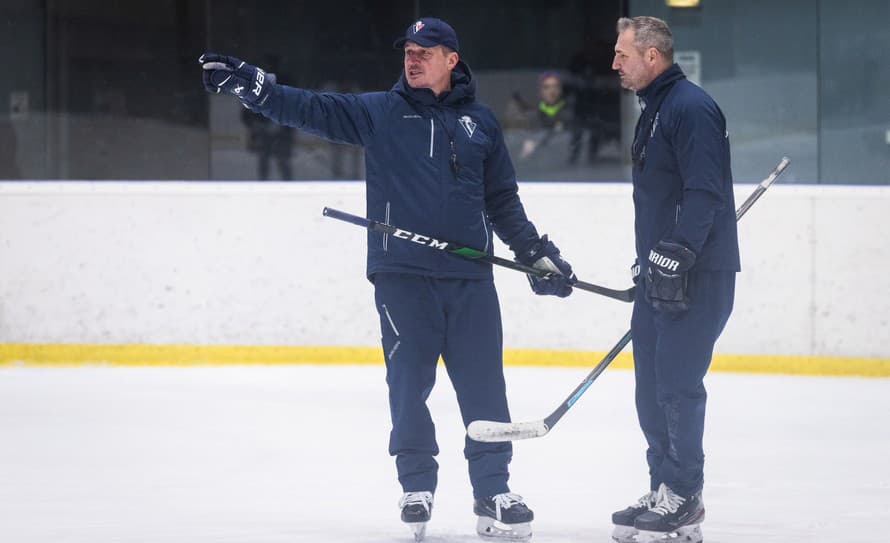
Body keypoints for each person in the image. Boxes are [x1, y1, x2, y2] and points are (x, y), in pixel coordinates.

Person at [199, 16, 576, 541]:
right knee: (408, 386)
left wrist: (536, 254)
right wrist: (258, 89)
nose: (413, 58)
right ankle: (417, 484)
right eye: (408, 51)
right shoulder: (379, 112)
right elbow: (310, 109)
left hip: (470, 278)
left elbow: (502, 200)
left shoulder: (482, 123)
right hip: (402, 275)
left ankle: (493, 489)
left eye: (426, 51)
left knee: (485, 386)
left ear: (451, 59)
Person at [609, 16, 739, 543]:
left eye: (622, 54)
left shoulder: (690, 108)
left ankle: (684, 495)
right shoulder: (656, 109)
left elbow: (705, 191)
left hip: (697, 277)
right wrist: (650, 260)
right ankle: (663, 484)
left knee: (677, 388)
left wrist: (681, 250)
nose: (614, 63)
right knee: (650, 389)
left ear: (651, 57)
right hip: (660, 279)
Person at [518, 71, 573, 161]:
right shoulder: (534, 114)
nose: (552, 91)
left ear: (561, 89)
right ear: (541, 91)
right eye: (546, 87)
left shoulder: (570, 112)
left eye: (555, 86)